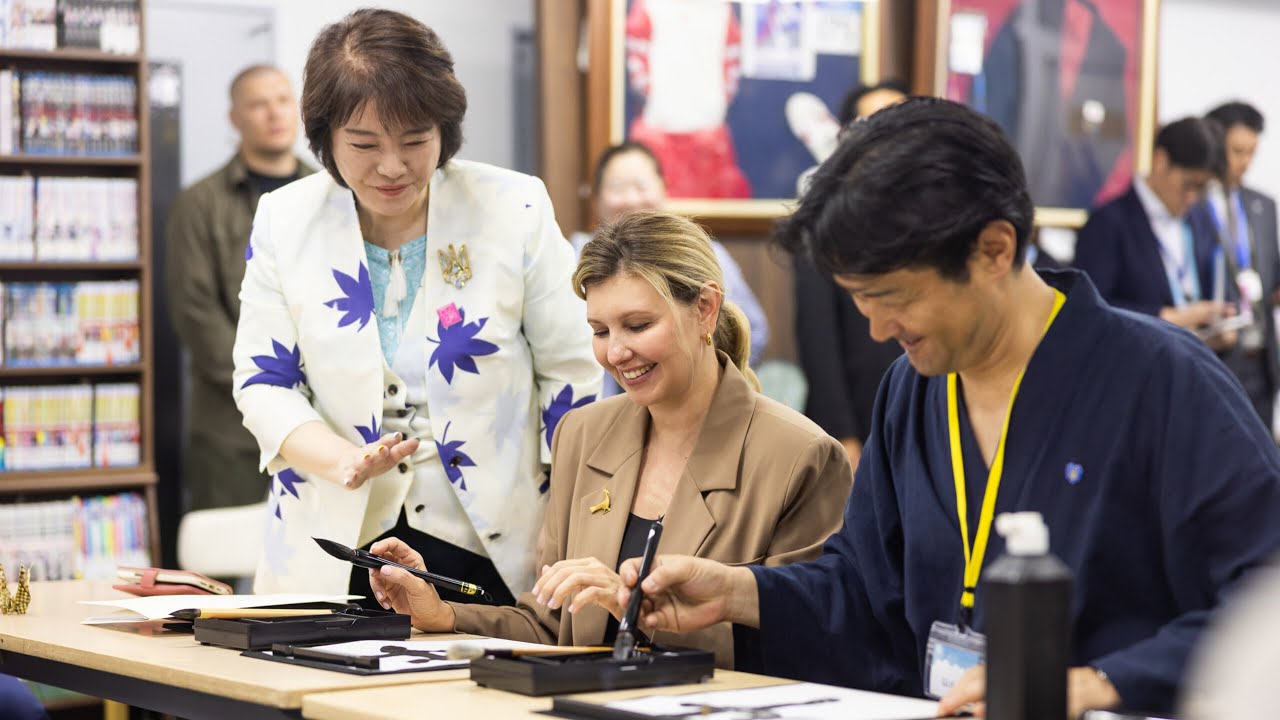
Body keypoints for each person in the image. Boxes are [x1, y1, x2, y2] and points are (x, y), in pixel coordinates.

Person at [612, 98, 1280, 718]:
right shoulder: (913, 387)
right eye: (859, 300)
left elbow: (1264, 605)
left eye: (894, 296)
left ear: (994, 249)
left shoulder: (1163, 382)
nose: (877, 329)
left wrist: (1095, 683)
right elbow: (864, 589)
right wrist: (736, 592)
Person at [366, 211, 851, 667]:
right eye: (599, 331)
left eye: (638, 326)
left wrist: (630, 609)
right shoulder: (582, 434)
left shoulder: (800, 455)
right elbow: (551, 626)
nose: (616, 353)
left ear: (705, 309)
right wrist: (444, 614)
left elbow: (801, 646)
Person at [232, 9, 600, 603]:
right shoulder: (287, 218)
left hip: (495, 543)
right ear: (326, 137)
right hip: (334, 541)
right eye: (364, 144)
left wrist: (567, 516)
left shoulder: (513, 208)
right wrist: (344, 459)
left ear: (445, 131)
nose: (393, 166)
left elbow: (572, 372)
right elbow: (262, 381)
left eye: (415, 140)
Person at [165, 64, 314, 512]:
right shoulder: (198, 204)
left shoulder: (329, 195)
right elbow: (195, 313)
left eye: (283, 100)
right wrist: (270, 387)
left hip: (320, 425)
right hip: (230, 432)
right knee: (222, 571)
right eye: (258, 103)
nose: (275, 113)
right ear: (235, 118)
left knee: (315, 564)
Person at [569, 142, 769, 396]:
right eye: (617, 188)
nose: (631, 199)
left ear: (663, 188)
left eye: (641, 186)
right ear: (595, 198)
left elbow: (753, 328)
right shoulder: (572, 259)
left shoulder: (701, 253)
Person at [1074, 117, 1233, 349]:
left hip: (1197, 363)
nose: (1193, 197)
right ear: (1160, 160)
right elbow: (1090, 307)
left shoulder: (1200, 218)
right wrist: (1167, 317)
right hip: (1138, 366)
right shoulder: (1109, 221)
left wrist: (1221, 327)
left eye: (1202, 188)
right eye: (1189, 185)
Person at [1186, 101, 1280, 426]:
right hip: (1214, 357)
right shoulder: (1190, 204)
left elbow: (1272, 276)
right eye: (1237, 150)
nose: (1245, 162)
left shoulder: (1263, 205)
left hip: (1261, 364)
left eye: (1252, 152)